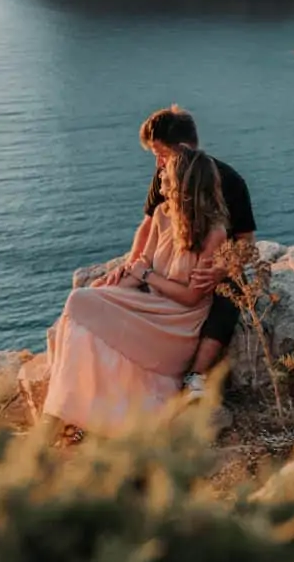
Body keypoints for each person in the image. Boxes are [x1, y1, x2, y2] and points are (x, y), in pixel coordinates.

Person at [42, 149, 229, 440]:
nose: (160, 175)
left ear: (182, 181)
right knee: (85, 299)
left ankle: (60, 417)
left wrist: (146, 276)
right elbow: (142, 264)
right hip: (151, 304)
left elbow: (191, 296)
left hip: (178, 323)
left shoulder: (214, 233)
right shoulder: (161, 214)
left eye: (166, 171)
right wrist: (112, 290)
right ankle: (68, 410)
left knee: (82, 303)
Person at [98, 106, 256, 401]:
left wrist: (222, 269)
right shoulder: (163, 176)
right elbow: (149, 224)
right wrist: (133, 262)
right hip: (170, 261)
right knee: (122, 289)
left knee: (230, 296)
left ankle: (195, 375)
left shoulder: (230, 181)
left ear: (181, 148)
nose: (157, 163)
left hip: (211, 260)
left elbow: (246, 239)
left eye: (159, 153)